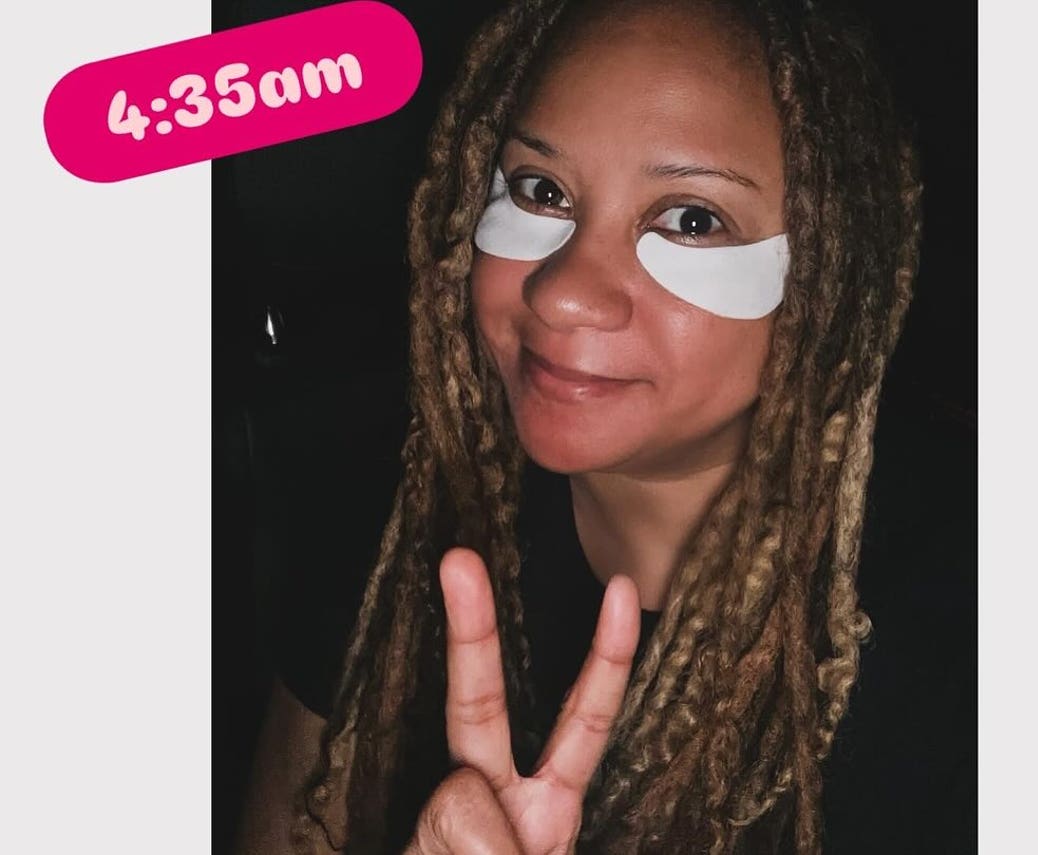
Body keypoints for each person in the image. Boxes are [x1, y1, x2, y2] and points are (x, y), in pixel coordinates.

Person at [235, 0, 947, 852]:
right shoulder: (397, 525)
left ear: (830, 282)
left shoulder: (958, 659)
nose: (563, 293)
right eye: (541, 191)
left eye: (692, 219)